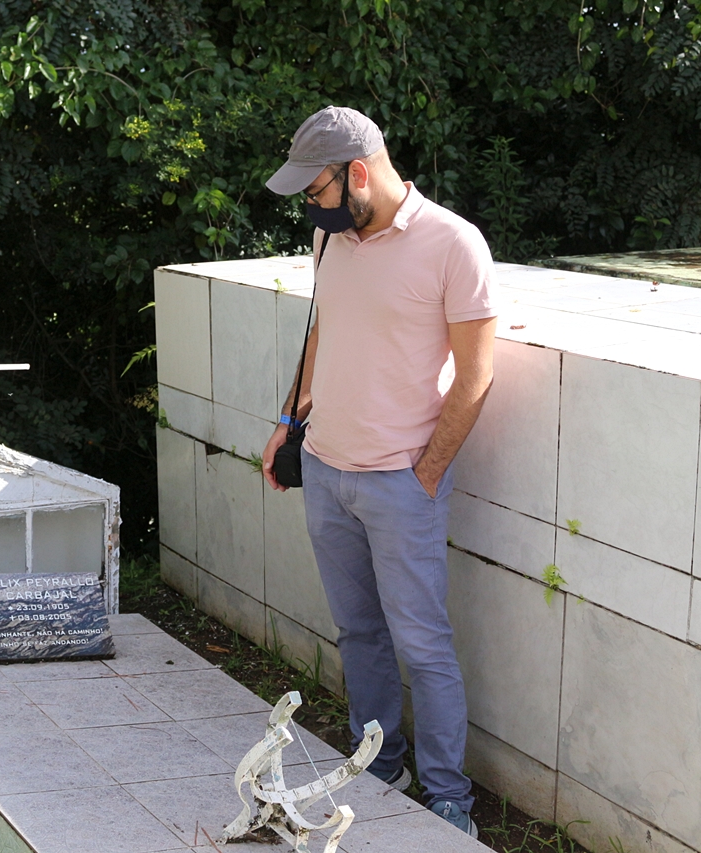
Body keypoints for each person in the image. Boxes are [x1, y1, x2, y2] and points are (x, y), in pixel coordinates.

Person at [261, 106, 497, 838]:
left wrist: (425, 474)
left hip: (403, 483)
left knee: (421, 641)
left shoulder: (454, 245)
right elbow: (325, 330)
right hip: (327, 471)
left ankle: (449, 795)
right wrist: (290, 421)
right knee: (358, 631)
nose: (309, 205)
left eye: (315, 190)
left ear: (358, 174)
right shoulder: (330, 240)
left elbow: (476, 376)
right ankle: (381, 762)